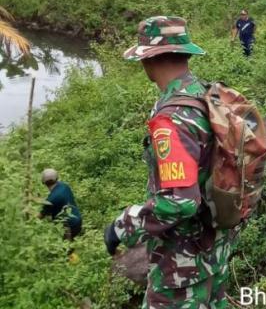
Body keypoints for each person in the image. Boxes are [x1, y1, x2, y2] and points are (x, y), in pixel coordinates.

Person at [105, 16, 237, 308]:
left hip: (182, 266)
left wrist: (124, 225)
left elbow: (180, 201)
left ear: (149, 60)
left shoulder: (173, 118)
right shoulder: (206, 95)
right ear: (185, 54)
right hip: (214, 251)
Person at [39, 168, 82, 240]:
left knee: (65, 245)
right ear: (57, 178)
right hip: (78, 220)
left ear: (44, 182)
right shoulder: (65, 186)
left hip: (68, 228)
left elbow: (40, 216)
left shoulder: (50, 200)